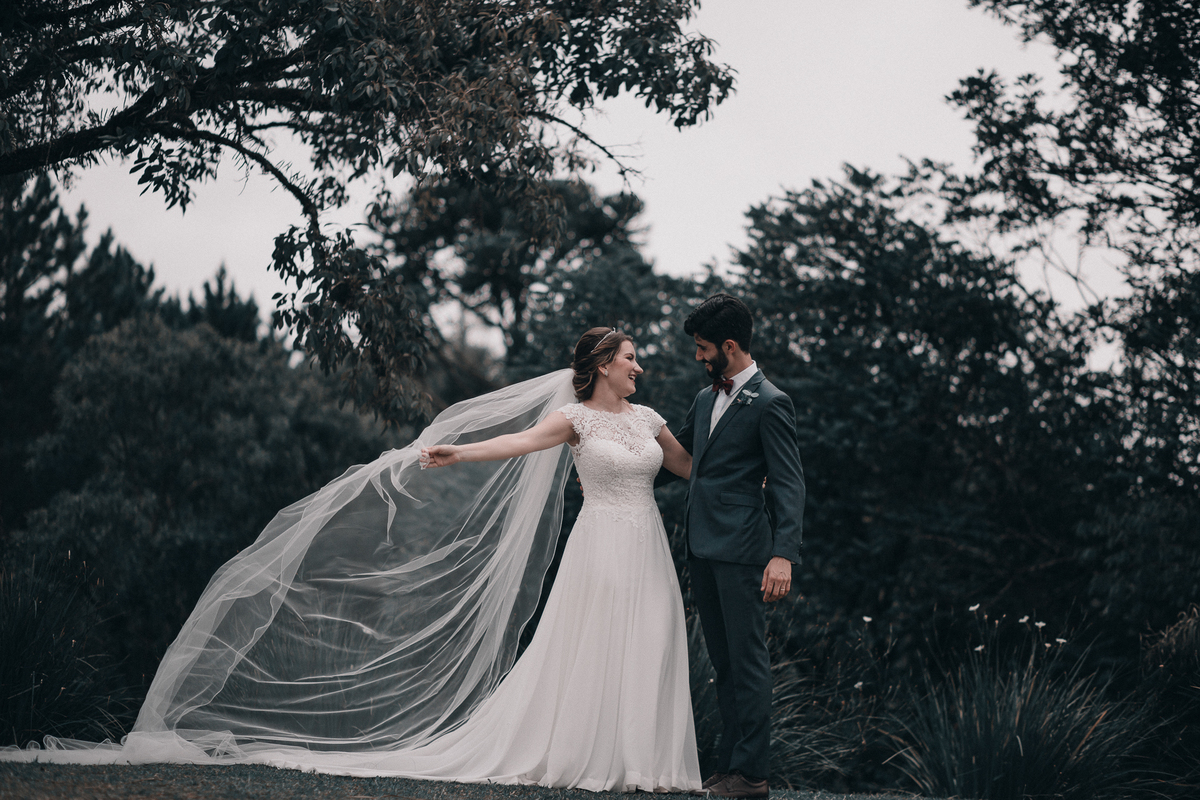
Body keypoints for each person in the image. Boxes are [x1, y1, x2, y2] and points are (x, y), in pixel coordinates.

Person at [2, 326, 703, 794]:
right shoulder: (575, 419)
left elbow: (688, 468)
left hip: (645, 544)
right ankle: (599, 759)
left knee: (648, 641)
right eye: (632, 356)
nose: (641, 365)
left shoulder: (648, 421)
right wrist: (457, 450)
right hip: (598, 548)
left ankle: (648, 761)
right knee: (594, 645)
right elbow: (517, 444)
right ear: (604, 364)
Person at [668, 293, 806, 799]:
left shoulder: (772, 403)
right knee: (723, 662)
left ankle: (751, 776)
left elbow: (790, 484)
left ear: (730, 345)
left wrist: (783, 553)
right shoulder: (706, 398)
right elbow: (678, 457)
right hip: (702, 548)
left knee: (747, 662)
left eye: (704, 348)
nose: (699, 357)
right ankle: (729, 768)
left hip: (746, 550)